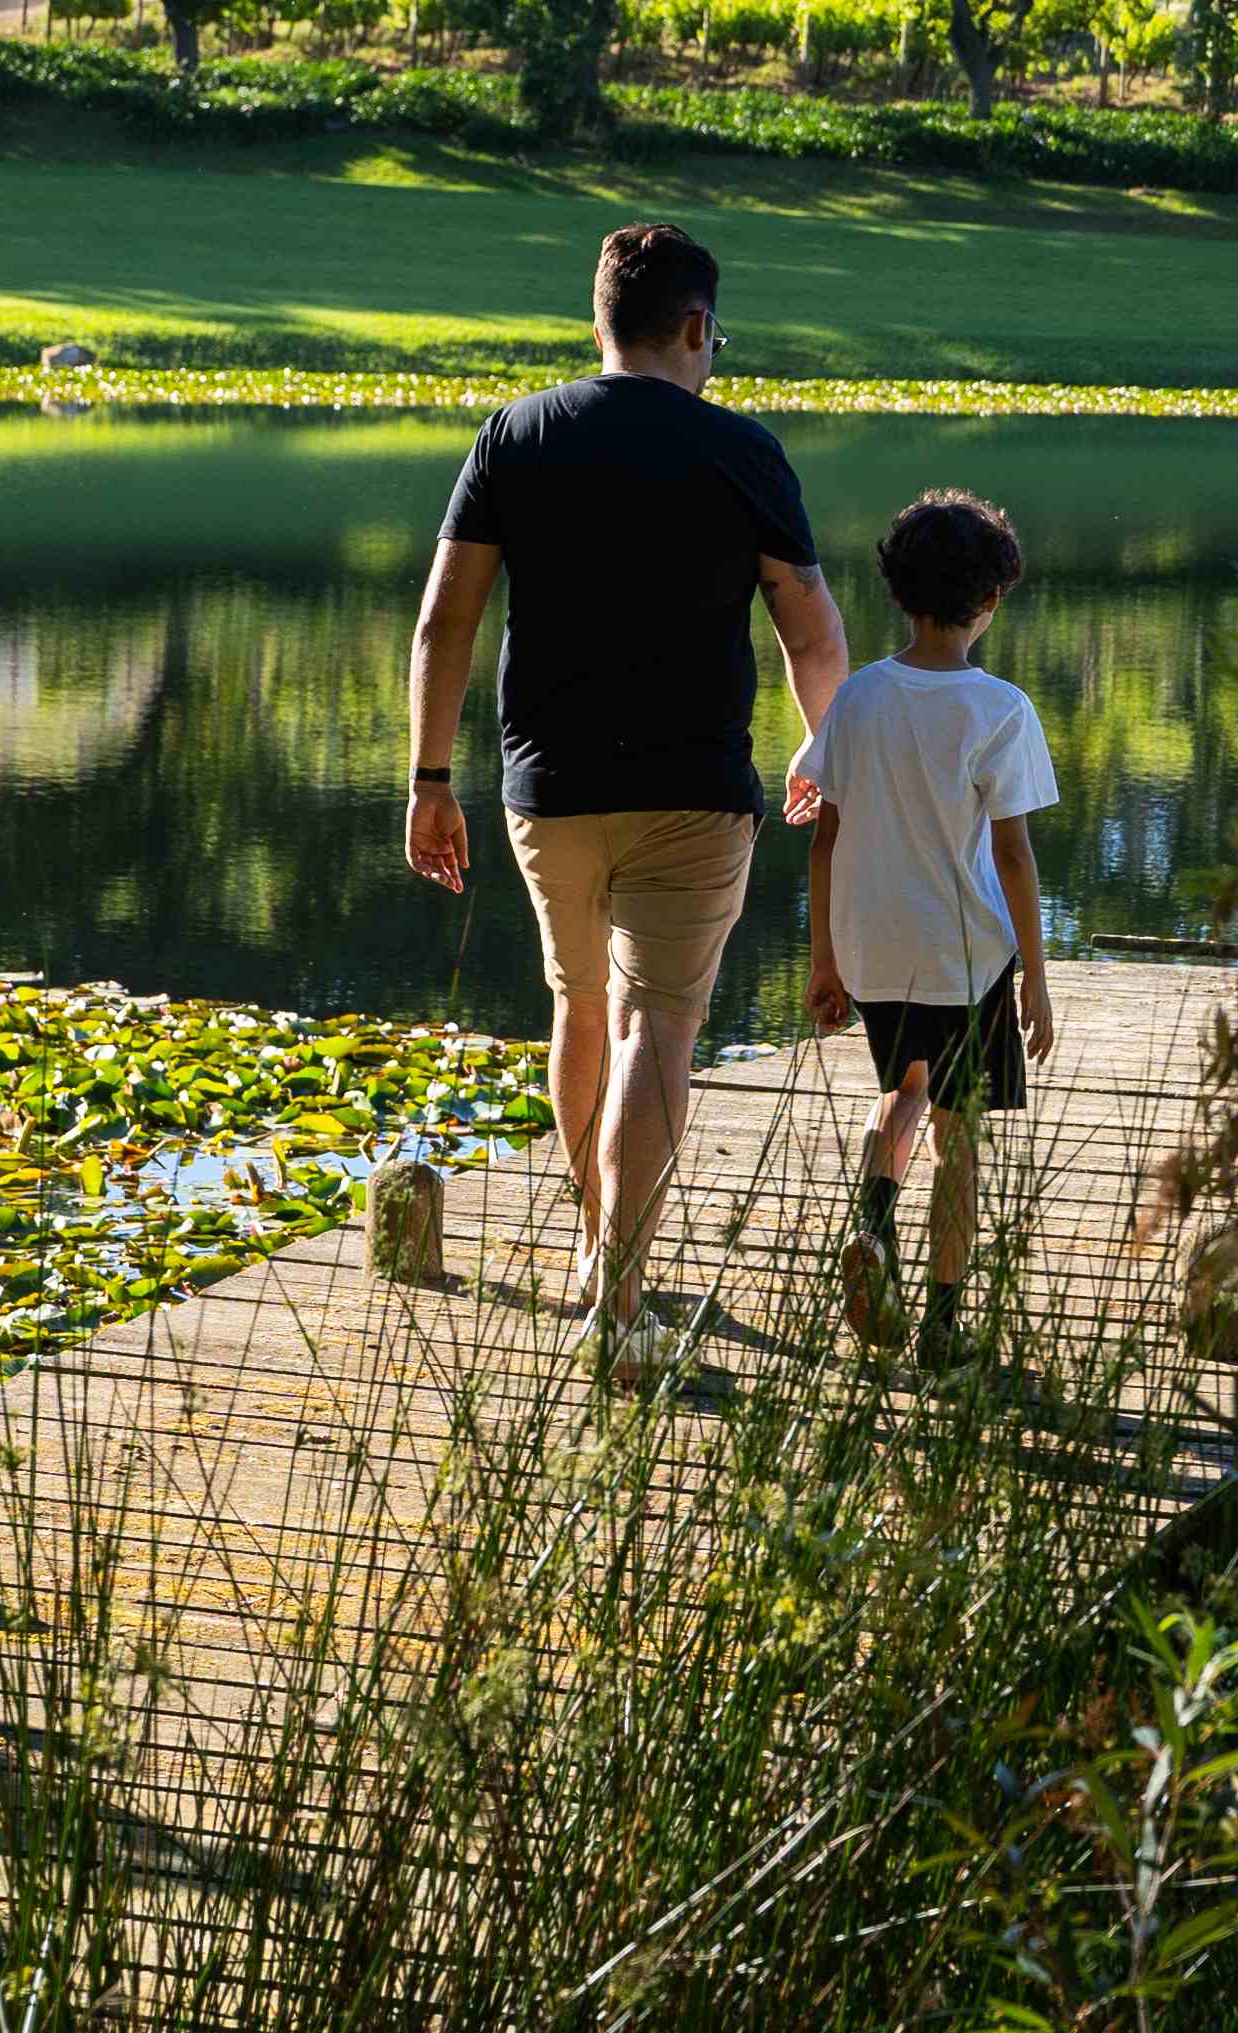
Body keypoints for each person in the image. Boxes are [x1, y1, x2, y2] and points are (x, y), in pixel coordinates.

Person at [402, 220, 848, 1388]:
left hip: (547, 791)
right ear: (697, 327)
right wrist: (823, 742)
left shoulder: (516, 432)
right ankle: (621, 1292)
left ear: (599, 319)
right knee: (662, 1028)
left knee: (578, 1002)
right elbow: (810, 624)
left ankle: (595, 1240)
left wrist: (429, 778)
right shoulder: (743, 451)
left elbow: (446, 618)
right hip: (695, 795)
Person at [795, 488, 1057, 1364]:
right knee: (960, 1137)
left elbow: (825, 839)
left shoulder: (858, 698)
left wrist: (825, 959)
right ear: (988, 602)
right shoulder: (1000, 710)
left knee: (903, 1090)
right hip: (965, 956)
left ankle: (873, 1224)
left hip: (874, 947)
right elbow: (1014, 857)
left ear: (901, 595)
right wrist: (1038, 976)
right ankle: (944, 1330)